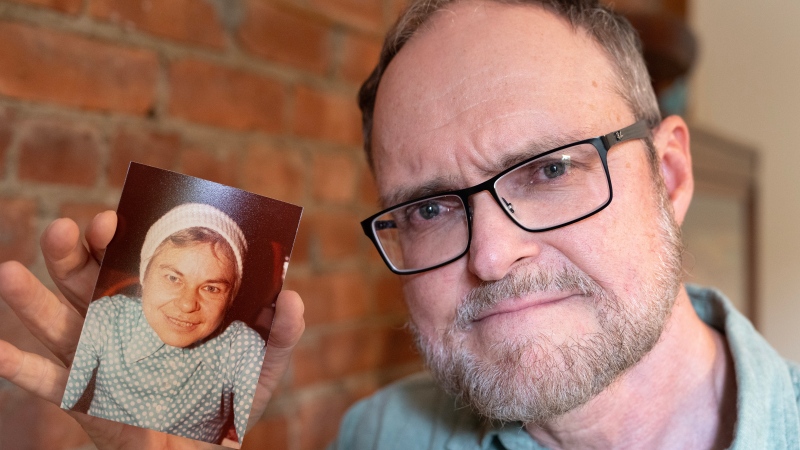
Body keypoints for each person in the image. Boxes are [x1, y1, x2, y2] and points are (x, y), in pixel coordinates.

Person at [0, 0, 798, 449]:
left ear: (669, 177)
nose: (490, 253)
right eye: (428, 207)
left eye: (550, 169)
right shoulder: (381, 435)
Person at [60, 203, 265, 444]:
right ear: (144, 276)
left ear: (230, 298)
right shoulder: (108, 318)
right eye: (173, 278)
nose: (188, 304)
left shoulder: (239, 347)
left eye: (211, 288)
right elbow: (65, 398)